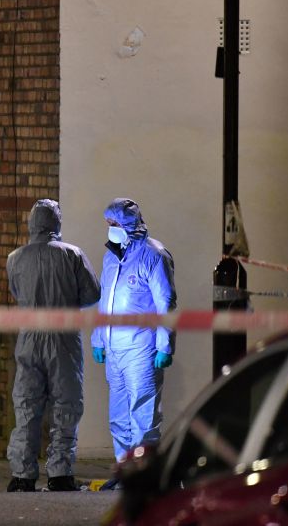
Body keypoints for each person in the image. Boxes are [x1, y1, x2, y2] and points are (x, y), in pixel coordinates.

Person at [5, 199, 101, 492]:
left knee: (26, 405)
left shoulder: (15, 258)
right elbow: (91, 293)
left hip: (29, 336)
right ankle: (60, 473)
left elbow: (16, 291)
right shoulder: (72, 255)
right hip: (63, 336)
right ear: (56, 222)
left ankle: (22, 475)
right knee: (66, 403)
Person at [90, 197, 177, 463]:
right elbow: (105, 301)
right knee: (119, 416)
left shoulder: (154, 255)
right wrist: (99, 339)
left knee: (143, 415)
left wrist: (165, 345)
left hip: (142, 349)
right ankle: (124, 471)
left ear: (128, 223)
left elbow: (166, 303)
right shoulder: (111, 258)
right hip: (115, 350)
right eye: (108, 223)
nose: (110, 227)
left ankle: (144, 474)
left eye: (114, 223)